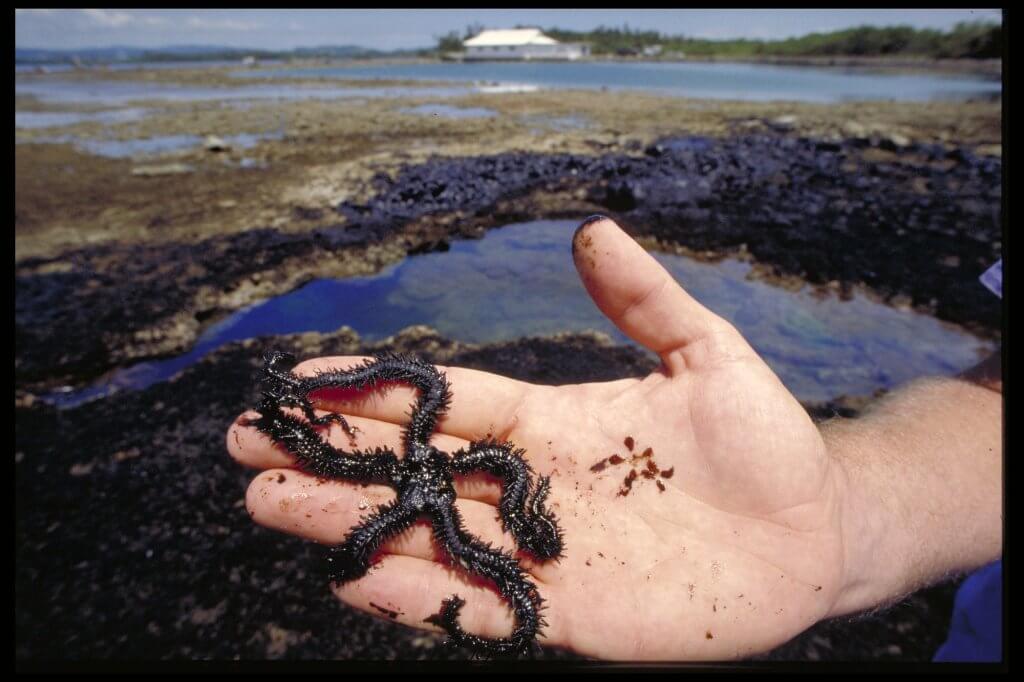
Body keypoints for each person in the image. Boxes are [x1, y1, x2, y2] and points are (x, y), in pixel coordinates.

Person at [227, 216, 1002, 661]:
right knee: (382, 440)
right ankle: (292, 397)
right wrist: (847, 513)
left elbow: (442, 426)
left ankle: (294, 397)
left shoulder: (478, 479)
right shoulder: (465, 470)